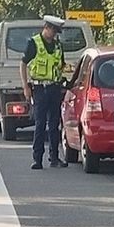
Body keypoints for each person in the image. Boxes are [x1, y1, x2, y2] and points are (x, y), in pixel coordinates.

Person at [21, 15, 68, 170]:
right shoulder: (33, 43)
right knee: (40, 124)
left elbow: (61, 65)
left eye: (56, 32)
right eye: (53, 31)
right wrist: (25, 86)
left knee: (54, 125)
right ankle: (37, 159)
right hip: (40, 88)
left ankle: (54, 158)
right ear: (46, 27)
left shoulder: (58, 45)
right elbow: (23, 65)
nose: (54, 35)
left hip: (54, 88)